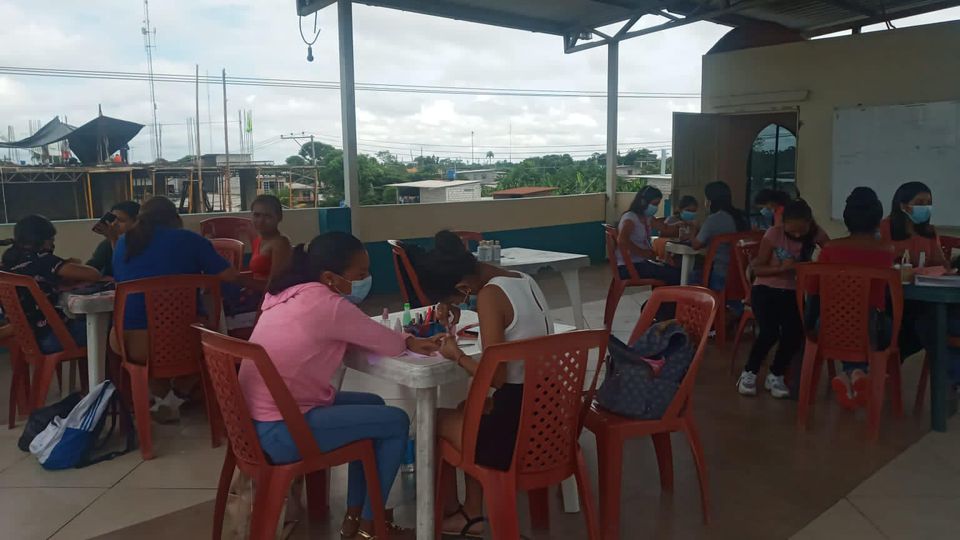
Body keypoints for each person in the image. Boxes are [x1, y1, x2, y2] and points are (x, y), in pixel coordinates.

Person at [241, 232, 440, 540]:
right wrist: (410, 340)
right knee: (396, 421)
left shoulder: (286, 293)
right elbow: (388, 343)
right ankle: (373, 526)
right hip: (283, 431)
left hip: (253, 425)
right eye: (359, 275)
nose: (366, 280)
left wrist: (402, 338)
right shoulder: (328, 305)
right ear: (330, 278)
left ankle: (355, 517)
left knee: (374, 405)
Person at [413, 230, 554, 538]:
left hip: (515, 433)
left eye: (455, 298)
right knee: (468, 408)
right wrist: (453, 303)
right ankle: (471, 513)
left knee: (431, 420)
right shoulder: (524, 280)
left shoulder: (490, 296)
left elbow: (496, 378)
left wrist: (458, 356)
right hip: (549, 418)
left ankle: (449, 512)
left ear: (463, 287)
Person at [110, 196, 239, 421]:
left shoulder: (123, 242)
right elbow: (229, 276)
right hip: (182, 343)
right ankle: (179, 393)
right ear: (175, 218)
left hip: (130, 343)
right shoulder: (191, 240)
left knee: (145, 352)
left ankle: (164, 400)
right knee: (212, 342)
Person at [813, 187, 895, 408]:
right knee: (880, 322)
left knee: (847, 321)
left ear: (847, 218)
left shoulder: (830, 249)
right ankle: (859, 372)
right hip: (873, 328)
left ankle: (852, 374)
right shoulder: (887, 250)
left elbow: (813, 288)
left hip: (829, 327)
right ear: (877, 219)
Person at [738, 199, 829, 398]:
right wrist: (781, 268)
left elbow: (830, 252)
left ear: (809, 224)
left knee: (794, 333)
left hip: (792, 292)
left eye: (801, 231)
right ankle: (749, 372)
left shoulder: (816, 234)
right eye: (792, 231)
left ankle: (776, 373)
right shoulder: (774, 234)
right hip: (765, 289)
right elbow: (757, 268)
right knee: (769, 331)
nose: (796, 235)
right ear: (783, 223)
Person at [1, 215, 101, 353]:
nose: (53, 245)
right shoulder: (42, 259)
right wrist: (71, 263)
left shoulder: (9, 260)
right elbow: (93, 274)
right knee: (107, 327)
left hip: (28, 339)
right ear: (43, 240)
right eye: (52, 240)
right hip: (54, 336)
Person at [689, 181, 750, 291]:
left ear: (710, 200)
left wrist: (693, 229)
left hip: (719, 274)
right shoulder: (742, 216)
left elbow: (696, 245)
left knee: (692, 275)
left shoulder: (714, 219)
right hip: (742, 274)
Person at [616, 185, 681, 285]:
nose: (656, 208)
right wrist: (641, 252)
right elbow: (622, 240)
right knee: (674, 274)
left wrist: (679, 225)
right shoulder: (630, 218)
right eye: (654, 204)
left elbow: (665, 228)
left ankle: (659, 295)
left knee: (670, 269)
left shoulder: (648, 218)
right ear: (643, 202)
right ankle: (664, 295)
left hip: (640, 264)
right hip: (628, 267)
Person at [880, 181, 947, 269]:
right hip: (891, 277)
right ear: (903, 206)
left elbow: (940, 265)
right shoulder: (884, 228)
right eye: (920, 203)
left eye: (929, 203)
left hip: (923, 278)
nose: (926, 207)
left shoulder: (929, 231)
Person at [87, 200, 140, 277]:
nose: (114, 224)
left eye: (121, 220)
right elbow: (92, 267)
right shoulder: (106, 244)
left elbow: (127, 270)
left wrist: (113, 239)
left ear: (136, 223)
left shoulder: (143, 243)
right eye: (113, 219)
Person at [248, 194, 292, 284]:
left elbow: (275, 283)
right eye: (256, 215)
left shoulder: (280, 244)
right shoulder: (258, 240)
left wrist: (239, 279)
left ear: (279, 217)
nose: (261, 221)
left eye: (267, 216)